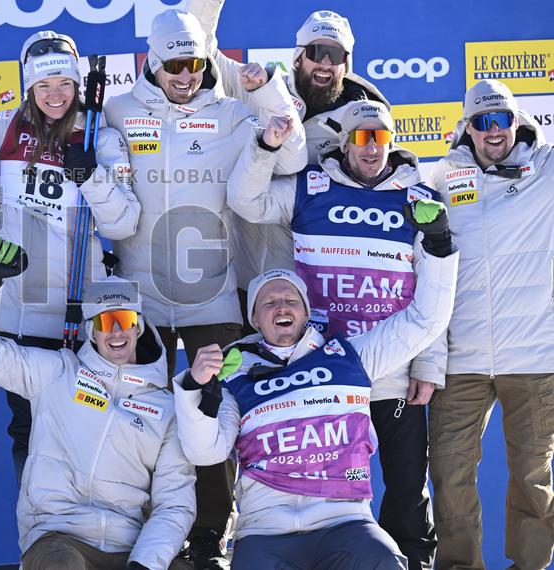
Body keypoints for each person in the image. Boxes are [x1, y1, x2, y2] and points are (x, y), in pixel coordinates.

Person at [103, 8, 305, 568]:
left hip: (213, 297)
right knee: (141, 422)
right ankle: (144, 536)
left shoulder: (233, 112)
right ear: (151, 62)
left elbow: (293, 153)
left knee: (211, 420)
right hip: (139, 299)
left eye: (195, 63)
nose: (186, 74)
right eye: (174, 64)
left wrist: (268, 97)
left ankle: (213, 537)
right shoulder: (119, 111)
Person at [173, 197, 458, 570]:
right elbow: (205, 452)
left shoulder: (351, 356)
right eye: (269, 303)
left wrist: (437, 246)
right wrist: (196, 389)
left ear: (307, 312)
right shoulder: (232, 376)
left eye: (291, 299)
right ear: (255, 320)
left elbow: (423, 321)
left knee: (386, 562)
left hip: (345, 523)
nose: (281, 307)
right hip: (266, 531)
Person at [228, 103, 444, 568]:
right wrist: (265, 147)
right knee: (327, 492)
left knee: (407, 486)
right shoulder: (310, 188)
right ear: (344, 143)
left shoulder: (418, 197)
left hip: (392, 367)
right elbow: (245, 200)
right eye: (362, 138)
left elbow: (434, 285)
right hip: (322, 375)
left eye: (382, 138)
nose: (373, 148)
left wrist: (428, 362)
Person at [0, 238, 195, 570]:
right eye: (103, 323)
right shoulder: (57, 372)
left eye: (124, 320)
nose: (115, 332)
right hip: (58, 537)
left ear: (138, 327)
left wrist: (144, 563)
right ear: (90, 331)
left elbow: (175, 504)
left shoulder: (166, 409)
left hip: (130, 545)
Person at [0, 31, 140, 483]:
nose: (55, 95)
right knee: (27, 431)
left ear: (78, 86)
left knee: (86, 429)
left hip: (78, 314)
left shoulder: (101, 138)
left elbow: (123, 223)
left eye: (65, 85)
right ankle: (37, 535)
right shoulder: (5, 128)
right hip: (18, 318)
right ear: (29, 87)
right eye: (44, 86)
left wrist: (91, 177)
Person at [427, 79, 554, 570]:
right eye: (482, 122)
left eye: (501, 119)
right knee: (450, 473)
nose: (493, 130)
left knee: (532, 474)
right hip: (462, 359)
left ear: (517, 122)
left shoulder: (544, 169)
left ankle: (532, 566)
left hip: (535, 354)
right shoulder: (440, 178)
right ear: (467, 128)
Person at [185, 0, 389, 165]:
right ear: (297, 58)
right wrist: (207, 0)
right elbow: (202, 55)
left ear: (345, 65)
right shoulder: (259, 87)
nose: (325, 63)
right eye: (317, 52)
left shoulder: (363, 121)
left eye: (335, 55)